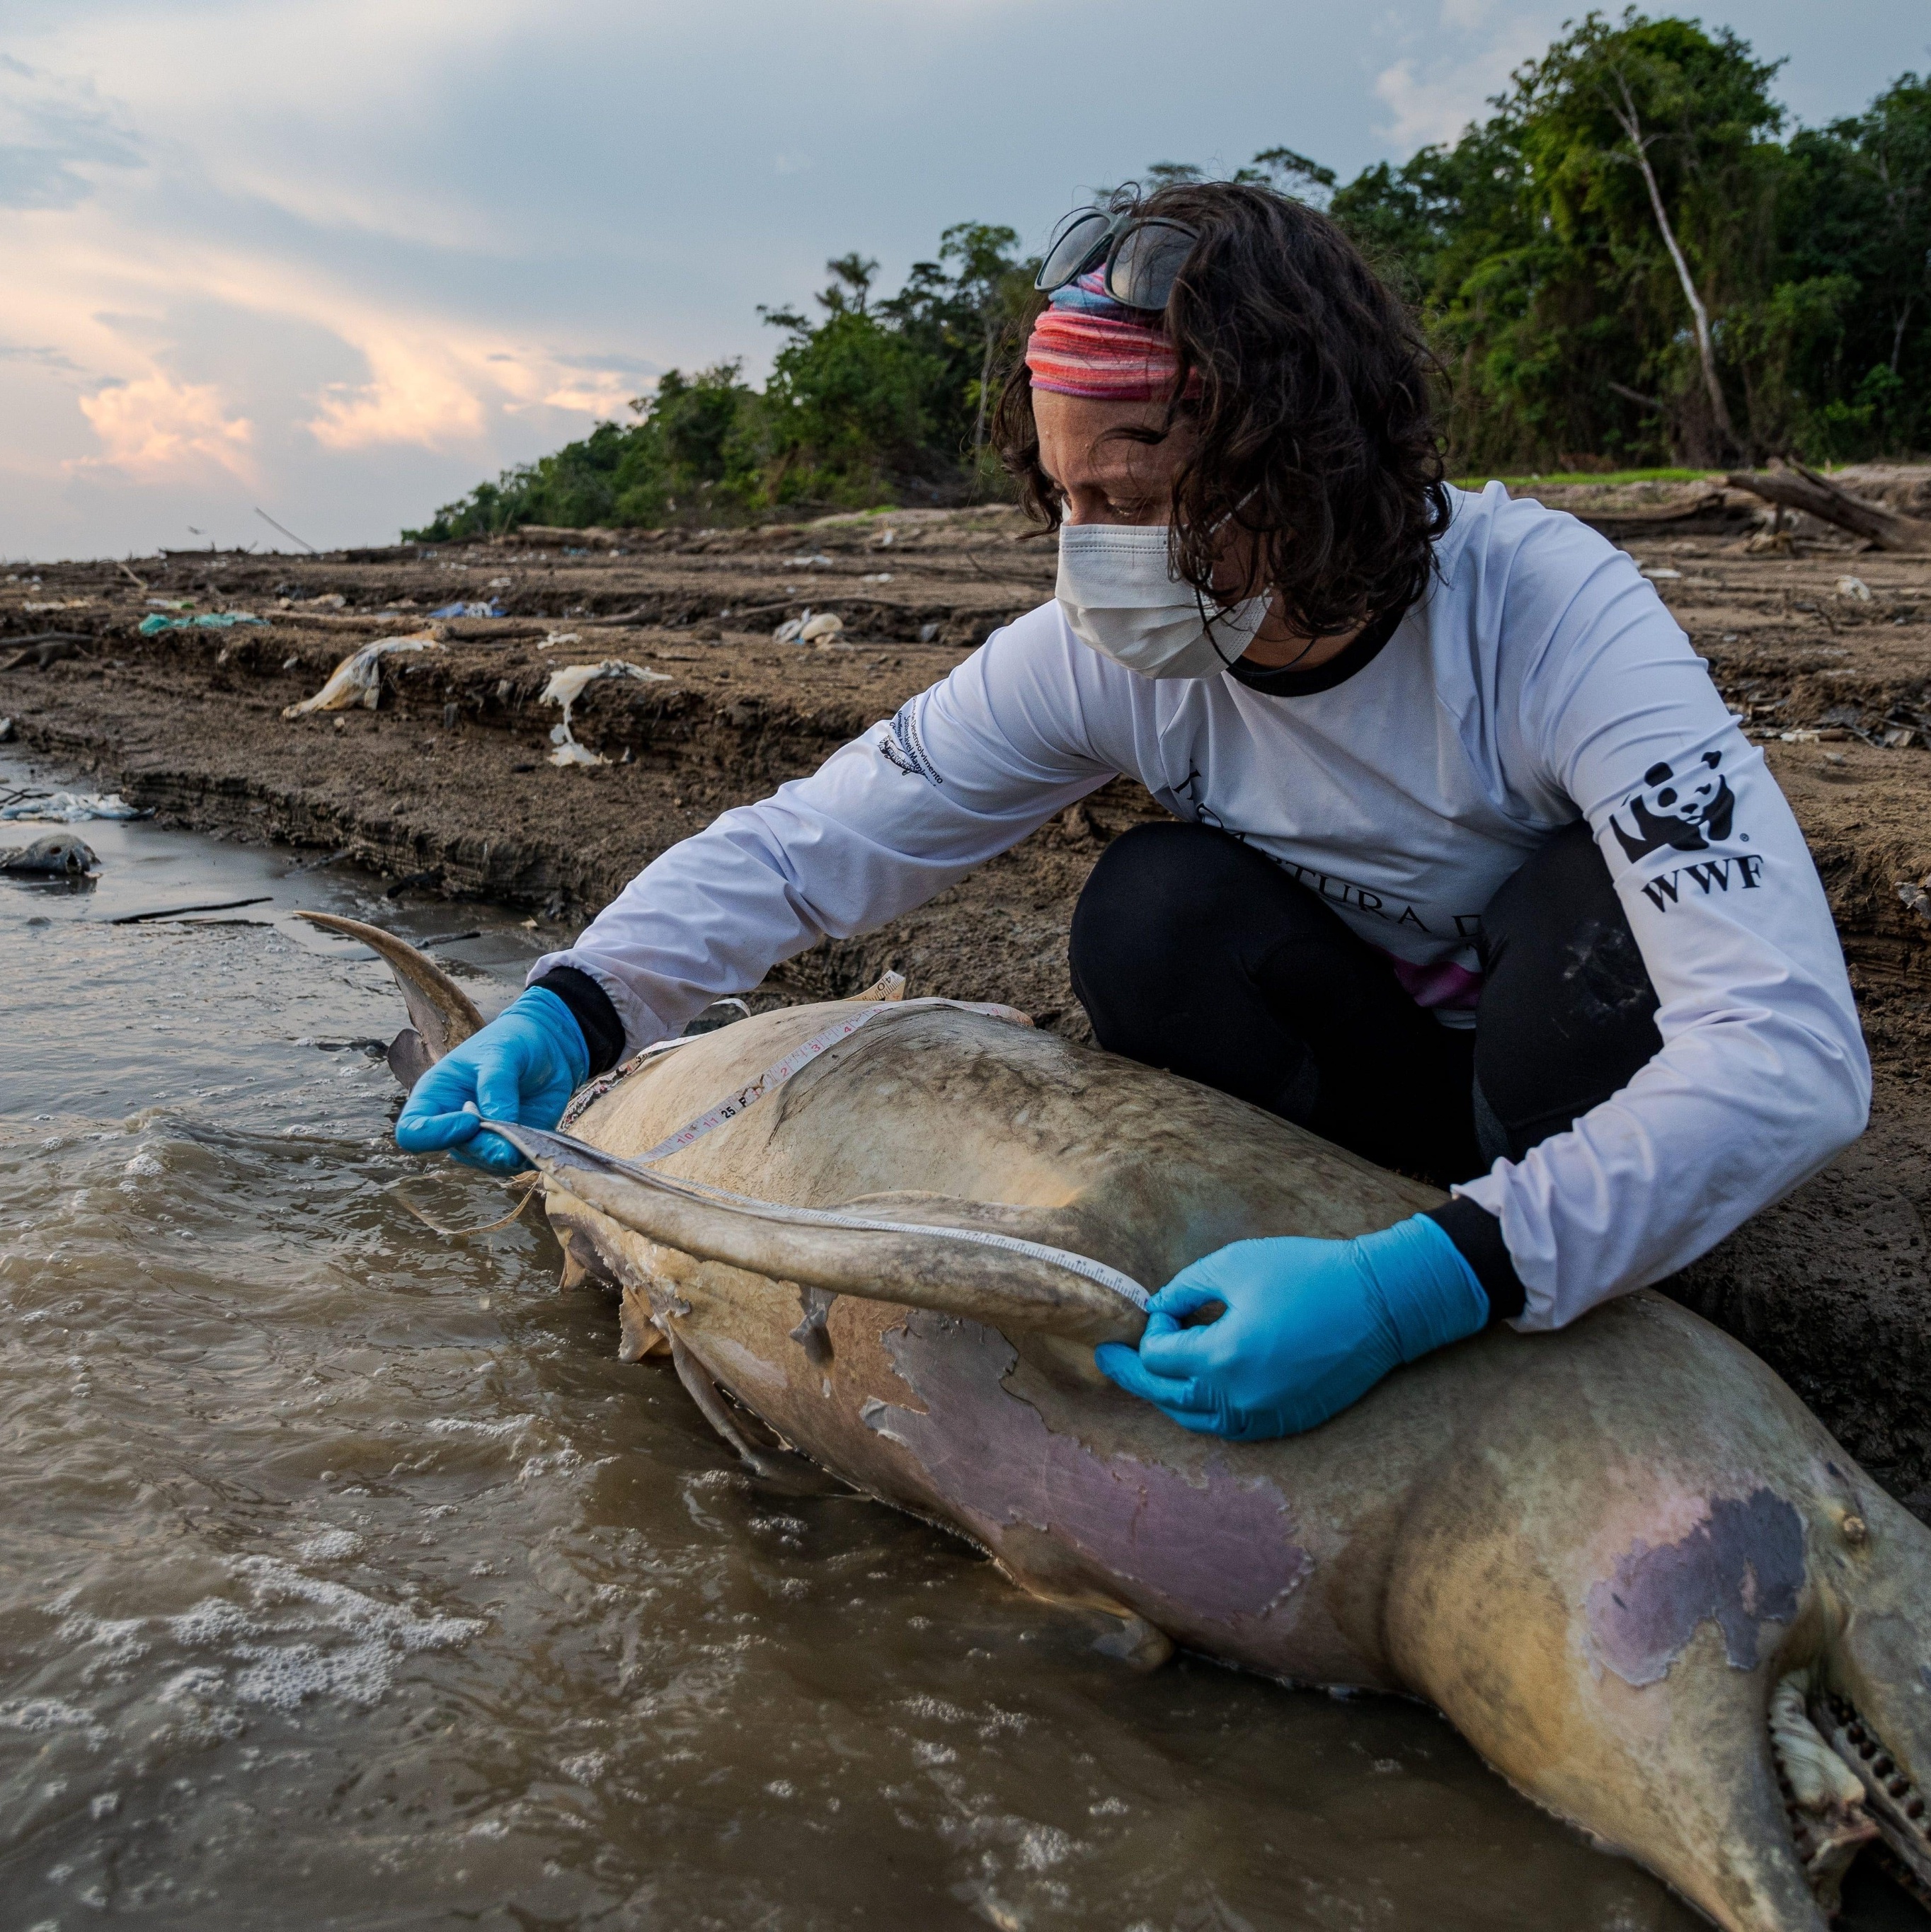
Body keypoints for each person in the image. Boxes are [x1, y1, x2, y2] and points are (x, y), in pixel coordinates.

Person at [399, 182, 1869, 1442]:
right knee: (1152, 911)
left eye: (1141, 495)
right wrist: (578, 1006)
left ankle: (1506, 1259)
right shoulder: (1105, 652)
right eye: (1065, 505)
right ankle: (1323, 1254)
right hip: (1370, 1079)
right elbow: (820, 842)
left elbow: (1786, 1056)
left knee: (1590, 915)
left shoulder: (1547, 617)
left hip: (1556, 1076)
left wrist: (1425, 1284)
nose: (1095, 556)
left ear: (1311, 462)